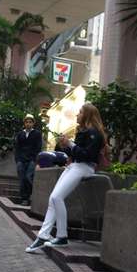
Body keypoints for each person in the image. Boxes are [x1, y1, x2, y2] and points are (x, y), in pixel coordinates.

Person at [26, 103, 106, 253]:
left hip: (84, 167)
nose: (77, 115)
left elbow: (87, 155)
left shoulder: (95, 133)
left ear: (87, 115)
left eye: (80, 112)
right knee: (53, 199)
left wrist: (70, 144)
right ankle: (43, 235)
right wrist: (66, 146)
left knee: (56, 197)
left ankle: (62, 236)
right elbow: (76, 154)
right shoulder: (84, 132)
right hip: (75, 166)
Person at [14, 114, 42, 206]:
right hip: (21, 160)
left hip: (32, 160)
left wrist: (35, 160)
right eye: (26, 122)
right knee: (22, 179)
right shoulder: (20, 134)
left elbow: (38, 148)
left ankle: (30, 195)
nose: (28, 124)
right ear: (24, 123)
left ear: (33, 123)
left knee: (28, 177)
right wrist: (17, 160)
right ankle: (24, 198)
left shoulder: (37, 134)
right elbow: (17, 148)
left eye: (30, 122)